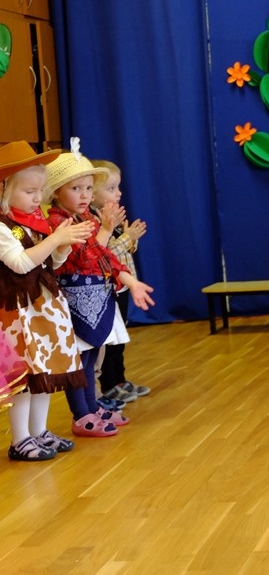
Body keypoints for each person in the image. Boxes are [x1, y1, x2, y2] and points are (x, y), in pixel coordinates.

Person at [44, 149, 155, 438]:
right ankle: (81, 415)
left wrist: (130, 281)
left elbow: (106, 258)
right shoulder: (58, 222)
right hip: (73, 301)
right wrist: (105, 229)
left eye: (88, 188)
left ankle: (92, 406)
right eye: (75, 188)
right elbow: (84, 258)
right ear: (56, 192)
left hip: (95, 298)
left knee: (92, 356)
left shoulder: (86, 219)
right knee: (78, 361)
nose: (84, 195)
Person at [0, 142, 93, 460]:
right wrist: (55, 239)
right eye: (29, 191)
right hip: (19, 313)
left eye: (40, 191)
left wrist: (62, 246)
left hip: (43, 307)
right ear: (4, 189)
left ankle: (39, 431)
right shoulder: (4, 227)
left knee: (45, 374)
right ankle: (20, 439)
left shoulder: (35, 222)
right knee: (25, 379)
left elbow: (50, 264)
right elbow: (20, 264)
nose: (37, 198)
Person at [90, 159, 151, 405]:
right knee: (110, 340)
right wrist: (127, 237)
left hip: (123, 285)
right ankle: (109, 384)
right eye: (111, 188)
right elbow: (105, 253)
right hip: (108, 288)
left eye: (118, 187)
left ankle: (119, 379)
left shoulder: (110, 219)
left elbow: (122, 252)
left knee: (120, 337)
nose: (119, 193)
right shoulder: (95, 221)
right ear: (93, 194)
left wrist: (130, 239)